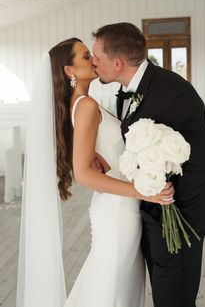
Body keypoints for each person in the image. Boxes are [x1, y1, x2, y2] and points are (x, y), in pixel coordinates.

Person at [16, 37, 174, 307]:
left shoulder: (84, 104)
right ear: (70, 71)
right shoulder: (86, 107)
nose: (94, 60)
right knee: (109, 289)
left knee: (115, 288)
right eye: (86, 57)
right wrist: (145, 192)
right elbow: (84, 174)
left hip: (122, 208)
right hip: (117, 212)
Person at [92, 23, 205, 307]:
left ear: (117, 62)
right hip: (150, 214)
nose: (93, 62)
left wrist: (172, 218)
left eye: (96, 56)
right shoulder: (131, 89)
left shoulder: (173, 90)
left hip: (178, 220)